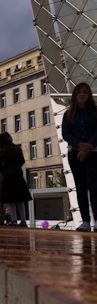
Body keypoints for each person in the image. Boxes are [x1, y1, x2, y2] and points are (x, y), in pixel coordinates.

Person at [61, 82, 97, 231]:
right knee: (80, 188)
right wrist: (80, 145)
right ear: (75, 95)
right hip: (75, 154)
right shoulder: (68, 114)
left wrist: (88, 146)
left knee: (94, 187)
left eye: (85, 92)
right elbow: (65, 133)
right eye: (79, 92)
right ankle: (86, 221)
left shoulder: (95, 113)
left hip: (93, 154)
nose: (82, 95)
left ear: (89, 95)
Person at [0, 132, 31, 227]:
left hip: (8, 176)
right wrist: (16, 167)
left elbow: (0, 165)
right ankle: (23, 221)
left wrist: (4, 171)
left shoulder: (1, 151)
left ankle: (14, 221)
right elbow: (22, 161)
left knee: (11, 200)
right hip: (18, 175)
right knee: (20, 199)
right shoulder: (17, 149)